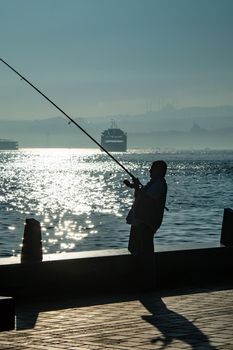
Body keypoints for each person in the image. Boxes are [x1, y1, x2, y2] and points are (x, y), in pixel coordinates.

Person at [125, 160, 167, 289]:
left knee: (145, 252)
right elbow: (140, 197)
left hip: (146, 223)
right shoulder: (153, 184)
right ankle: (141, 280)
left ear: (159, 170)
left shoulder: (159, 184)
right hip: (140, 221)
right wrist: (135, 187)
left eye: (152, 169)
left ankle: (148, 283)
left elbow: (146, 199)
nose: (149, 171)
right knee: (135, 249)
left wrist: (137, 187)